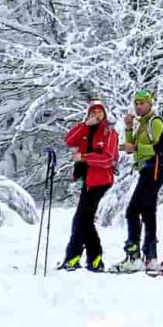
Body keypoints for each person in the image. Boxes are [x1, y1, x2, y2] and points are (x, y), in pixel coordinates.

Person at [119, 90, 163, 274]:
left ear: (150, 104)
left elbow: (158, 148)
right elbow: (131, 150)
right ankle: (149, 258)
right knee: (147, 212)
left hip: (155, 169)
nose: (138, 106)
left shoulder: (155, 122)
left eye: (142, 103)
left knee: (132, 211)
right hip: (146, 170)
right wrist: (128, 128)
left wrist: (135, 146)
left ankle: (136, 256)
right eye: (136, 103)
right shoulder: (142, 124)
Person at [59, 100, 119, 271]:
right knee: (81, 219)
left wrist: (85, 157)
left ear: (105, 114)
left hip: (100, 180)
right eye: (93, 112)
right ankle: (77, 258)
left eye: (100, 112)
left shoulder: (109, 132)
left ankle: (91, 257)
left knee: (83, 219)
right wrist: (84, 125)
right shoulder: (86, 129)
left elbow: (108, 158)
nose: (96, 115)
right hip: (87, 180)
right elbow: (69, 140)